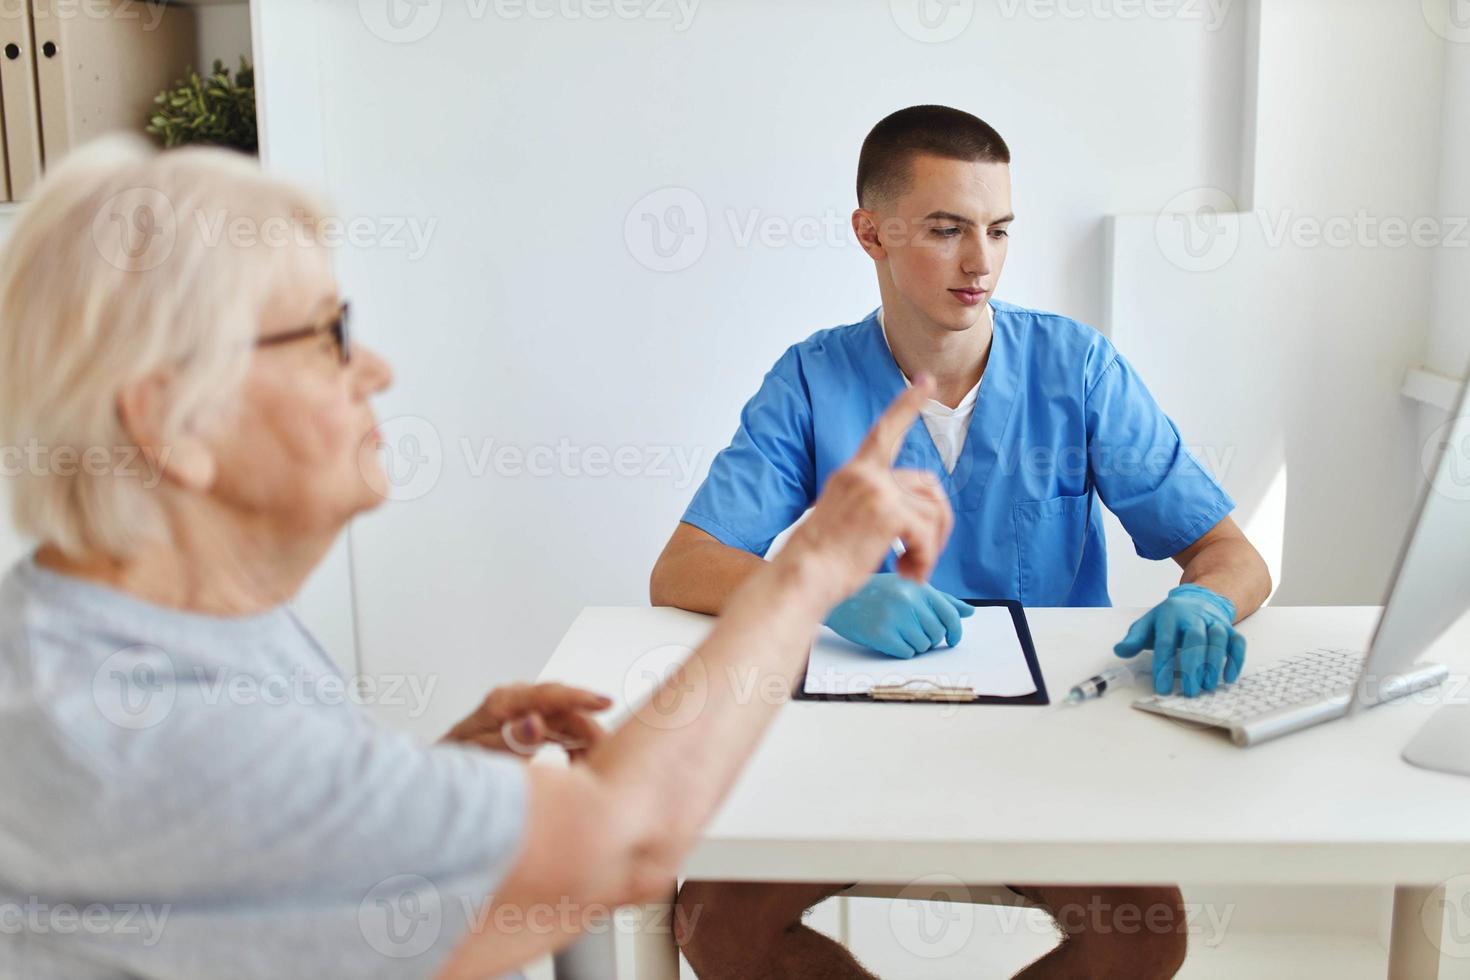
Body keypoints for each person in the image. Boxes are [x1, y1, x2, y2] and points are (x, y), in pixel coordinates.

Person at [0, 136, 955, 980]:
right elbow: (618, 847)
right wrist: (810, 572)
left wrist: (431, 783)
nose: (376, 370)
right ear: (172, 418)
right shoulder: (125, 720)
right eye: (329, 335)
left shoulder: (147, 634)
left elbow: (266, 883)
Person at [650, 105, 1273, 978]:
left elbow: (1233, 556)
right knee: (717, 923)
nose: (981, 262)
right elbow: (684, 567)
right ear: (871, 232)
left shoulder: (1078, 370)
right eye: (946, 230)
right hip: (854, 746)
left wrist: (1206, 598)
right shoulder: (811, 379)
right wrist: (827, 589)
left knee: (1143, 933)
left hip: (1047, 746)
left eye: (999, 229)